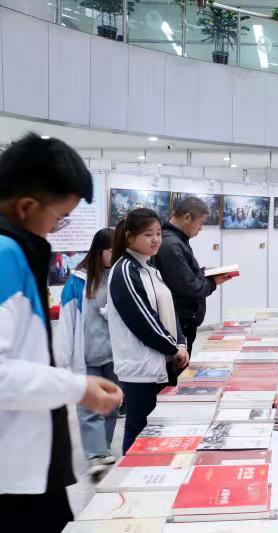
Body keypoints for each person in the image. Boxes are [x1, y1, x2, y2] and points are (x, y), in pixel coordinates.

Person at [0, 134, 122, 532]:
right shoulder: (5, 254)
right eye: (59, 217)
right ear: (26, 207)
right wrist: (75, 386)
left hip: (26, 465)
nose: (56, 228)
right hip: (14, 475)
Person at [108, 208, 190, 455]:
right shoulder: (125, 270)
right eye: (148, 234)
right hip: (140, 368)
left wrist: (181, 343)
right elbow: (143, 320)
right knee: (139, 428)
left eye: (158, 233)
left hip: (161, 362)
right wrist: (173, 347)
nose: (155, 240)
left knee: (155, 431)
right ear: (130, 237)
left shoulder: (150, 269)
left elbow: (170, 311)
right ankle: (128, 476)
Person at [57, 227, 119, 478]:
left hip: (113, 354)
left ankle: (103, 447)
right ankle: (95, 454)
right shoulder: (77, 280)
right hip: (86, 355)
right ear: (100, 251)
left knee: (112, 402)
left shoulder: (117, 275)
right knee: (89, 406)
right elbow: (66, 321)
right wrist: (63, 359)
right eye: (112, 252)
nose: (115, 257)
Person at [154, 196, 232, 354]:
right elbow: (189, 287)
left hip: (184, 320)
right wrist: (213, 281)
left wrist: (204, 272)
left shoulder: (177, 240)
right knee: (179, 365)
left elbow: (183, 275)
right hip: (180, 321)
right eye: (201, 223)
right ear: (187, 218)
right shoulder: (172, 245)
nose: (201, 228)